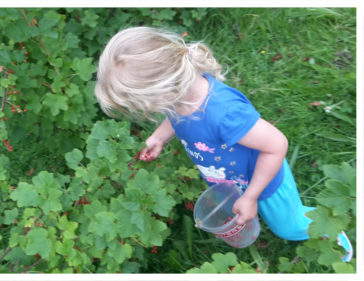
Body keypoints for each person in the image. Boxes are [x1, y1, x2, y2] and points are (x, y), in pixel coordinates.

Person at [94, 26, 352, 262]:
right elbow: (174, 115)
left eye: (143, 105)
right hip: (234, 180)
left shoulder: (224, 114)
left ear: (166, 86)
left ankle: (332, 229)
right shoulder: (179, 97)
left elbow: (276, 145)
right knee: (250, 210)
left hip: (265, 179)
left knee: (288, 225)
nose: (146, 111)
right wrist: (160, 137)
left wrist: (251, 196)